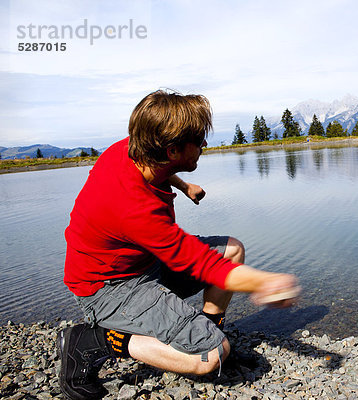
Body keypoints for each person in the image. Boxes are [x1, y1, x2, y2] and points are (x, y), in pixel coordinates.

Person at [59, 90, 300, 400]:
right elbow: (203, 264)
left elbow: (156, 168)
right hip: (108, 288)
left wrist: (184, 185)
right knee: (210, 357)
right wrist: (267, 281)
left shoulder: (130, 149)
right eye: (198, 141)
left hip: (144, 262)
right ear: (172, 151)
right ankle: (94, 340)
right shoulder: (133, 208)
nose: (204, 145)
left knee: (233, 250)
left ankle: (212, 329)